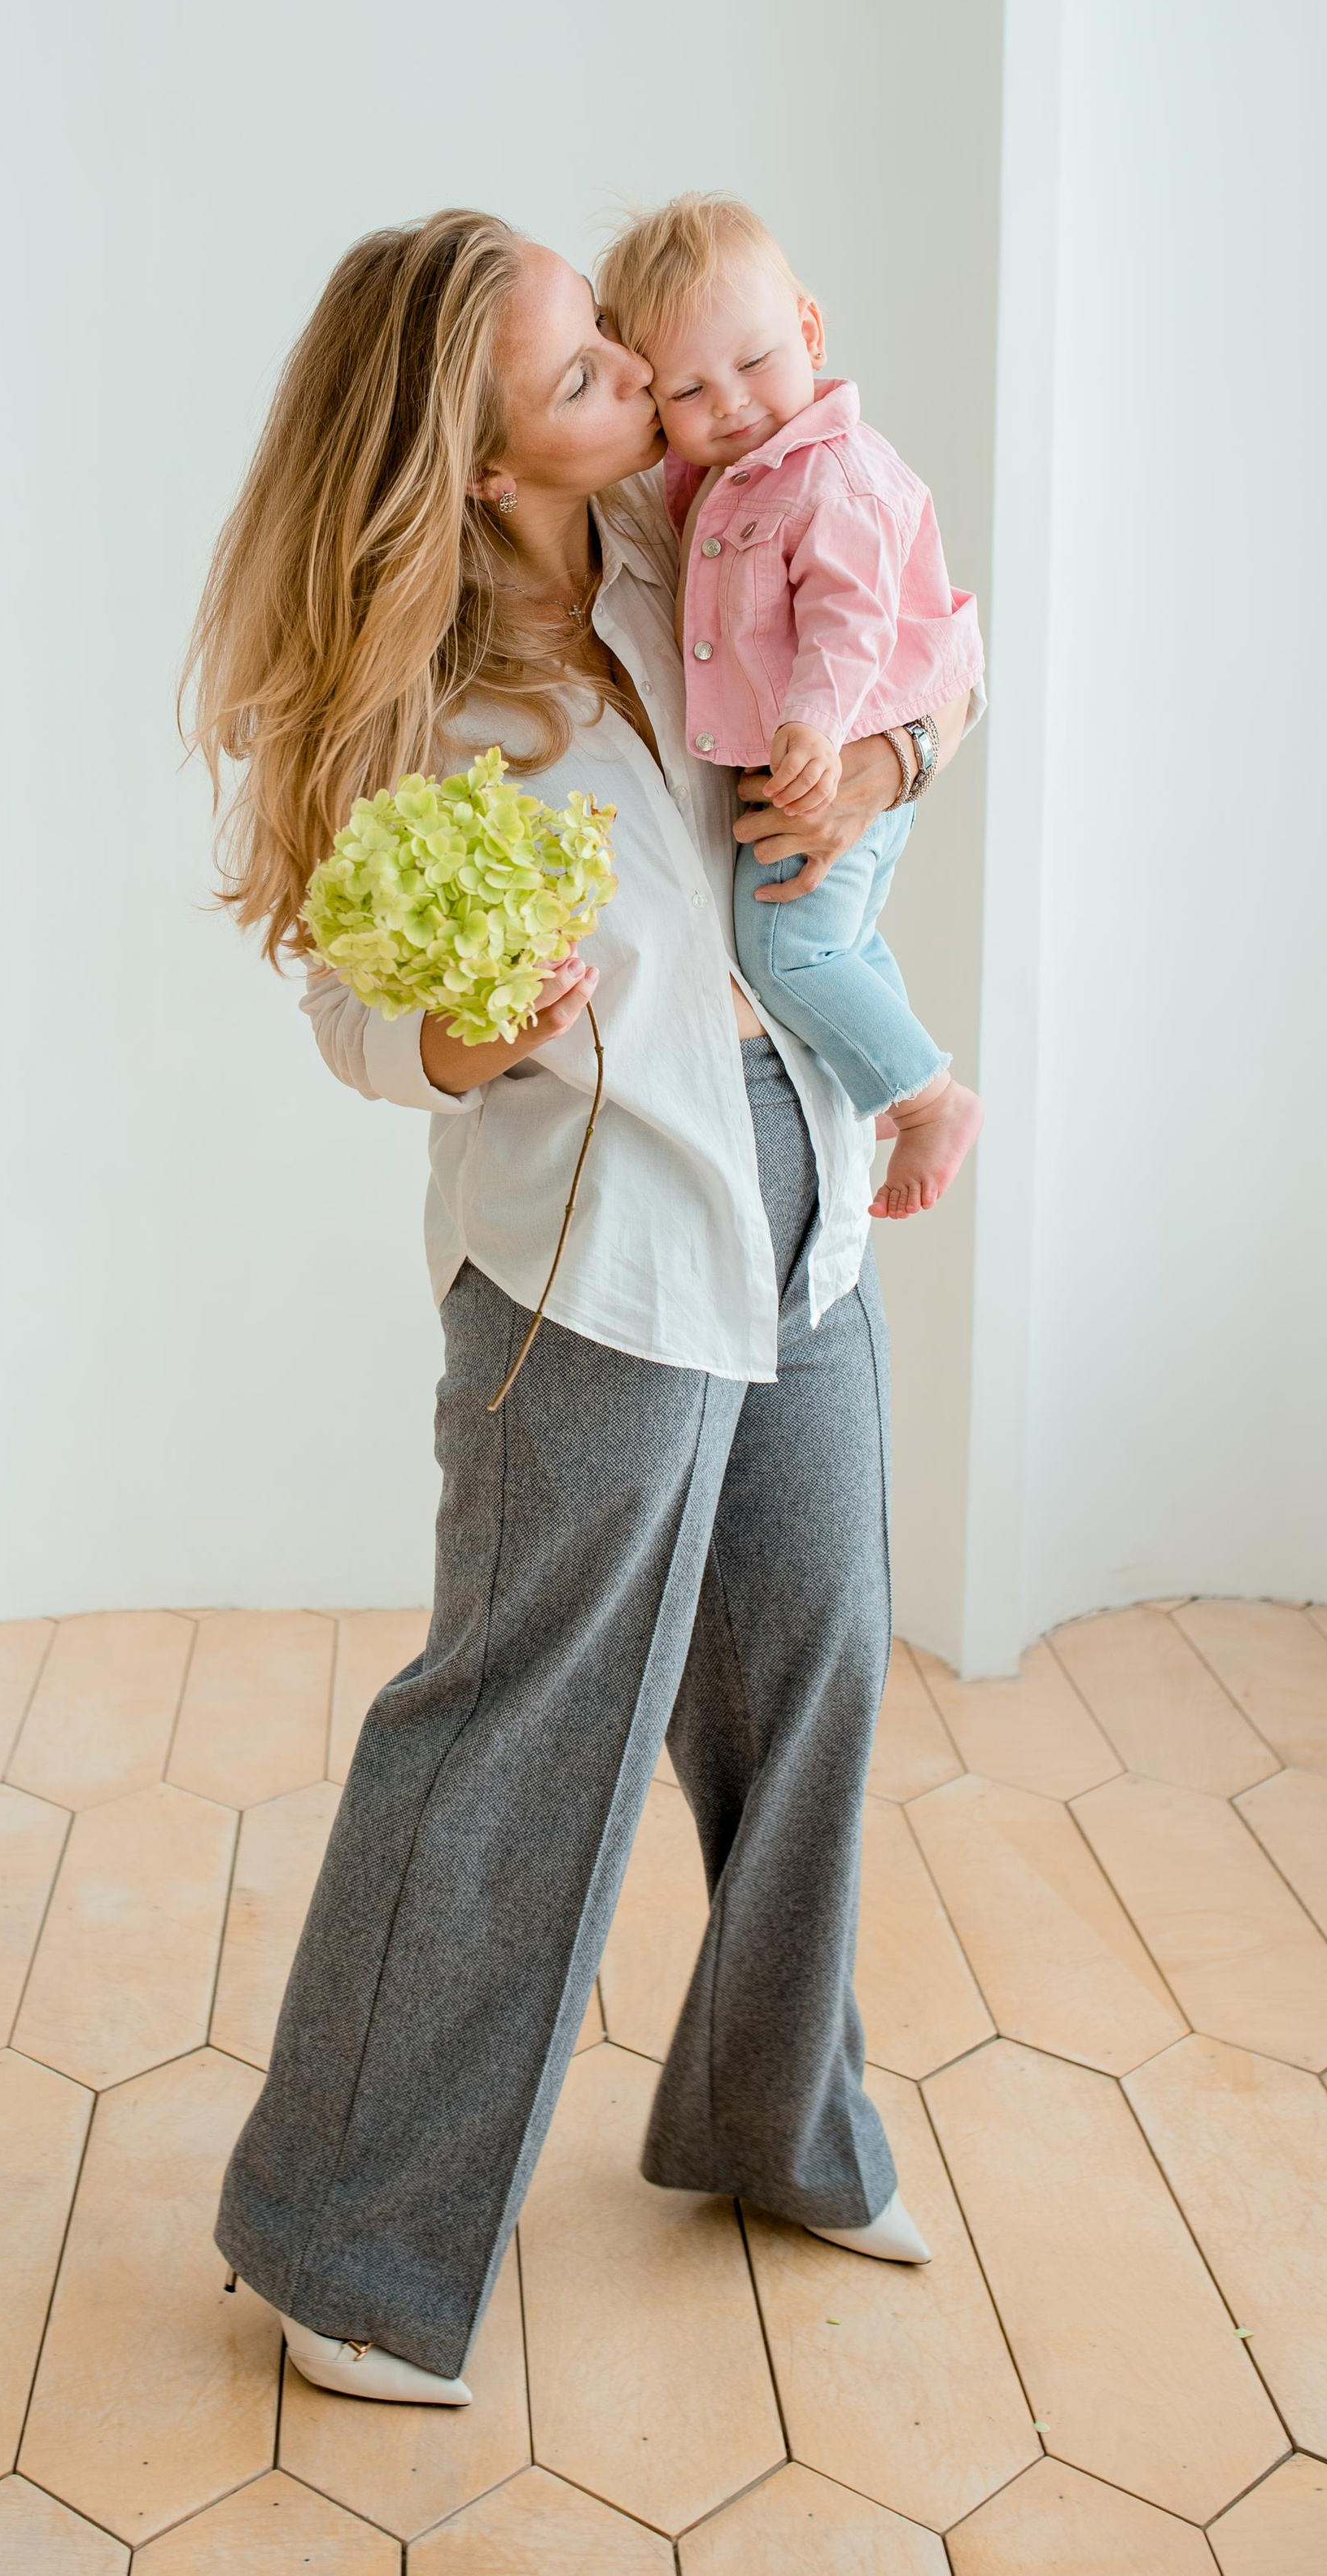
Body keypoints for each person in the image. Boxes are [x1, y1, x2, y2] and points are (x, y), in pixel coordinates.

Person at [183, 209, 976, 2408]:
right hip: (592, 1262)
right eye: (588, 373)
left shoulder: (703, 535)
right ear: (478, 457)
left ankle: (770, 2126)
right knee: (522, 1731)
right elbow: (349, 1001)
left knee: (809, 1670)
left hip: (795, 1185)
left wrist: (884, 768)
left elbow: (930, 664)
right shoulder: (416, 690)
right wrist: (453, 1035)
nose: (646, 375)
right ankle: (349, 2240)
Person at [596, 193, 985, 1220]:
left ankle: (928, 1095)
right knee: (838, 946)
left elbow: (853, 621)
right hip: (818, 760)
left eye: (755, 363)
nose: (728, 403)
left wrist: (817, 725)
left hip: (829, 754)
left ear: (809, 330)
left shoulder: (833, 476)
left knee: (785, 953)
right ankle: (893, 1085)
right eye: (688, 386)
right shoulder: (724, 477)